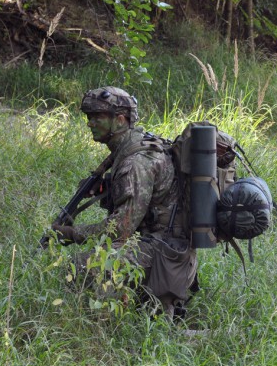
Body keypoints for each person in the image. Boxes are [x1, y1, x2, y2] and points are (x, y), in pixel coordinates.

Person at [52, 86, 198, 316]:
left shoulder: (136, 162)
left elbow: (120, 229)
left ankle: (106, 317)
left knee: (79, 266)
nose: (89, 123)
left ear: (120, 120)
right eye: (88, 117)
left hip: (164, 253)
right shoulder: (132, 145)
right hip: (163, 247)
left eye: (96, 117)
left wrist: (71, 233)